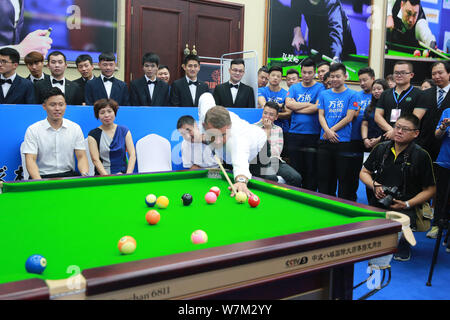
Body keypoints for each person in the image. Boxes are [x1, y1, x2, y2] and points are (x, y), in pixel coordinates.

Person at [360, 114, 436, 261]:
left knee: (398, 245)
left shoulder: (421, 155)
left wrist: (407, 204)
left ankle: (403, 241)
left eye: (405, 129)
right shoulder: (381, 148)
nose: (399, 131)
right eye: (397, 127)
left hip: (406, 205)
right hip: (379, 200)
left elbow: (431, 189)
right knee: (371, 242)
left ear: (416, 133)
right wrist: (375, 186)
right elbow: (364, 172)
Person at [197, 93, 268, 197]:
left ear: (229, 127)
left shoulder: (237, 136)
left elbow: (240, 158)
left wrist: (241, 180)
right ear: (204, 125)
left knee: (266, 180)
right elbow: (205, 96)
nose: (218, 141)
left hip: (258, 149)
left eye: (223, 135)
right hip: (229, 154)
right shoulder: (206, 115)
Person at [414, 62, 450, 238]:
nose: (436, 76)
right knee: (423, 183)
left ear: (449, 74)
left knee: (444, 187)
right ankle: (422, 219)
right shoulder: (425, 94)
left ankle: (440, 222)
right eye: (434, 73)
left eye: (440, 73)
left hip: (446, 149)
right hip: (425, 146)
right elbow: (417, 119)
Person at [22, 87, 89, 179]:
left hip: (68, 176)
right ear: (44, 106)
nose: (57, 108)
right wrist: (40, 183)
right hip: (41, 176)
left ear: (65, 105)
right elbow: (30, 159)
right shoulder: (33, 129)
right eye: (52, 105)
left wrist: (85, 176)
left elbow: (81, 157)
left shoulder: (75, 128)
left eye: (61, 104)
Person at [317, 63, 359, 199]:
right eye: (332, 76)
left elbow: (349, 117)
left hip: (343, 142)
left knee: (343, 178)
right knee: (324, 177)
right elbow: (321, 115)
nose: (334, 79)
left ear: (345, 76)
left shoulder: (353, 95)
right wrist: (327, 132)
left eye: (338, 76)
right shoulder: (324, 94)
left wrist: (331, 131)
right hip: (324, 141)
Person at [285, 58, 325, 191]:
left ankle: (310, 194)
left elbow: (317, 108)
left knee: (311, 168)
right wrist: (309, 104)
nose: (307, 76)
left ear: (314, 73)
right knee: (295, 168)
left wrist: (297, 106)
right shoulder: (295, 87)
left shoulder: (320, 87)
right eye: (304, 72)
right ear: (300, 72)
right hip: (295, 133)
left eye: (310, 73)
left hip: (312, 134)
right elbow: (288, 104)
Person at [254, 102, 302, 187]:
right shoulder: (253, 128)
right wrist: (268, 131)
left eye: (271, 115)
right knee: (271, 177)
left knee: (296, 177)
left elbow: (276, 152)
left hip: (275, 161)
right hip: (259, 163)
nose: (267, 117)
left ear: (276, 117)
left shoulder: (278, 129)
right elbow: (260, 153)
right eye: (265, 113)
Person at [290, 0, 356, 62]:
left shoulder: (332, 2)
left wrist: (336, 56)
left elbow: (336, 30)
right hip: (316, 39)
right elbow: (295, 8)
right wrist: (297, 33)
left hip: (341, 47)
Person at [346, 67, 375, 201]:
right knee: (353, 172)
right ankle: (352, 199)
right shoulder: (356, 96)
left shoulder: (379, 96)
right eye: (360, 80)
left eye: (365, 80)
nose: (362, 83)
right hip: (356, 139)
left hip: (374, 140)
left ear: (373, 79)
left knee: (372, 173)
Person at [375, 61, 422, 140]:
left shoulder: (419, 94)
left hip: (408, 140)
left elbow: (415, 119)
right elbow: (377, 116)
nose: (399, 75)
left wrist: (396, 132)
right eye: (396, 73)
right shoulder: (385, 94)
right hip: (387, 136)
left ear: (411, 75)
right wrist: (391, 130)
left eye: (403, 73)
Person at [88, 99, 136, 175]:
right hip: (103, 177)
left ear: (115, 112)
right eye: (102, 112)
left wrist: (127, 175)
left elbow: (132, 155)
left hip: (122, 175)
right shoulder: (93, 134)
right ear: (98, 115)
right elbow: (95, 160)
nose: (106, 115)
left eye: (109, 111)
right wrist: (108, 177)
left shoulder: (124, 131)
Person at [361, 78, 389, 204]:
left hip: (384, 144)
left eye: (379, 89)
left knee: (381, 174)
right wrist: (365, 139)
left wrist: (378, 140)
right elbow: (364, 124)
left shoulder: (389, 107)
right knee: (368, 174)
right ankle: (369, 202)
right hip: (369, 145)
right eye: (374, 89)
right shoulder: (370, 107)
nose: (376, 92)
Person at [257, 66, 290, 156]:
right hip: (263, 128)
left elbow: (288, 113)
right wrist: (281, 106)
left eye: (278, 76)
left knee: (278, 157)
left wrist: (274, 115)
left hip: (282, 129)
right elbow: (264, 105)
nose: (275, 78)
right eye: (273, 75)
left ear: (281, 79)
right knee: (263, 154)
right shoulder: (261, 90)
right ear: (268, 76)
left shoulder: (286, 93)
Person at [432, 110, 449, 250]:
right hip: (445, 161)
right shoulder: (448, 112)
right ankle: (436, 224)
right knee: (441, 195)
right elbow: (437, 135)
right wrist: (443, 127)